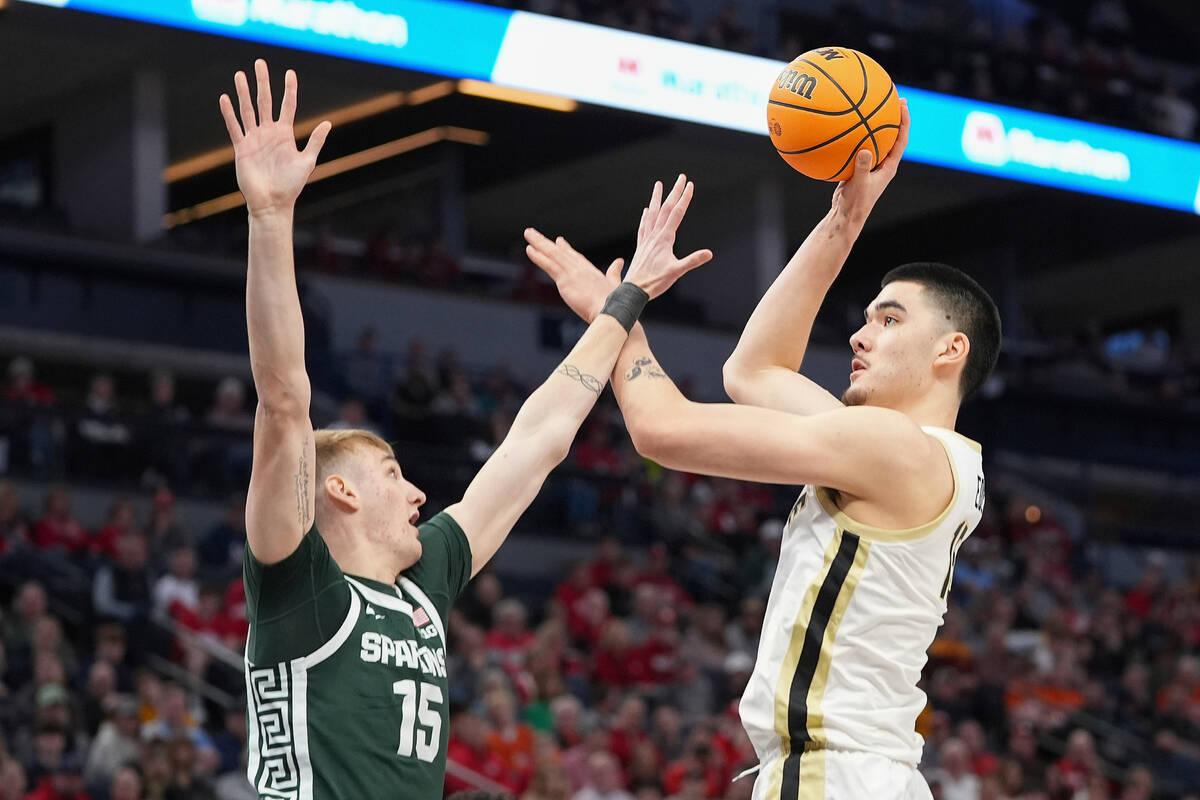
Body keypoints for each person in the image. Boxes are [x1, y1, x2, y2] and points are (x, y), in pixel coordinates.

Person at [217, 59, 711, 800]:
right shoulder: (300, 587)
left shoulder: (422, 587)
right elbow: (285, 396)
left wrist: (624, 302)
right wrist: (269, 218)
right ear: (341, 491)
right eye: (393, 475)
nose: (419, 494)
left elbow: (536, 442)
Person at [528, 100, 1002, 800]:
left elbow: (661, 430)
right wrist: (844, 220)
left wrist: (619, 313)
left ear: (950, 349)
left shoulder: (891, 447)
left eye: (890, 319)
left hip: (834, 774)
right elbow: (753, 372)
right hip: (865, 773)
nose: (860, 335)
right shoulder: (920, 456)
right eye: (867, 318)